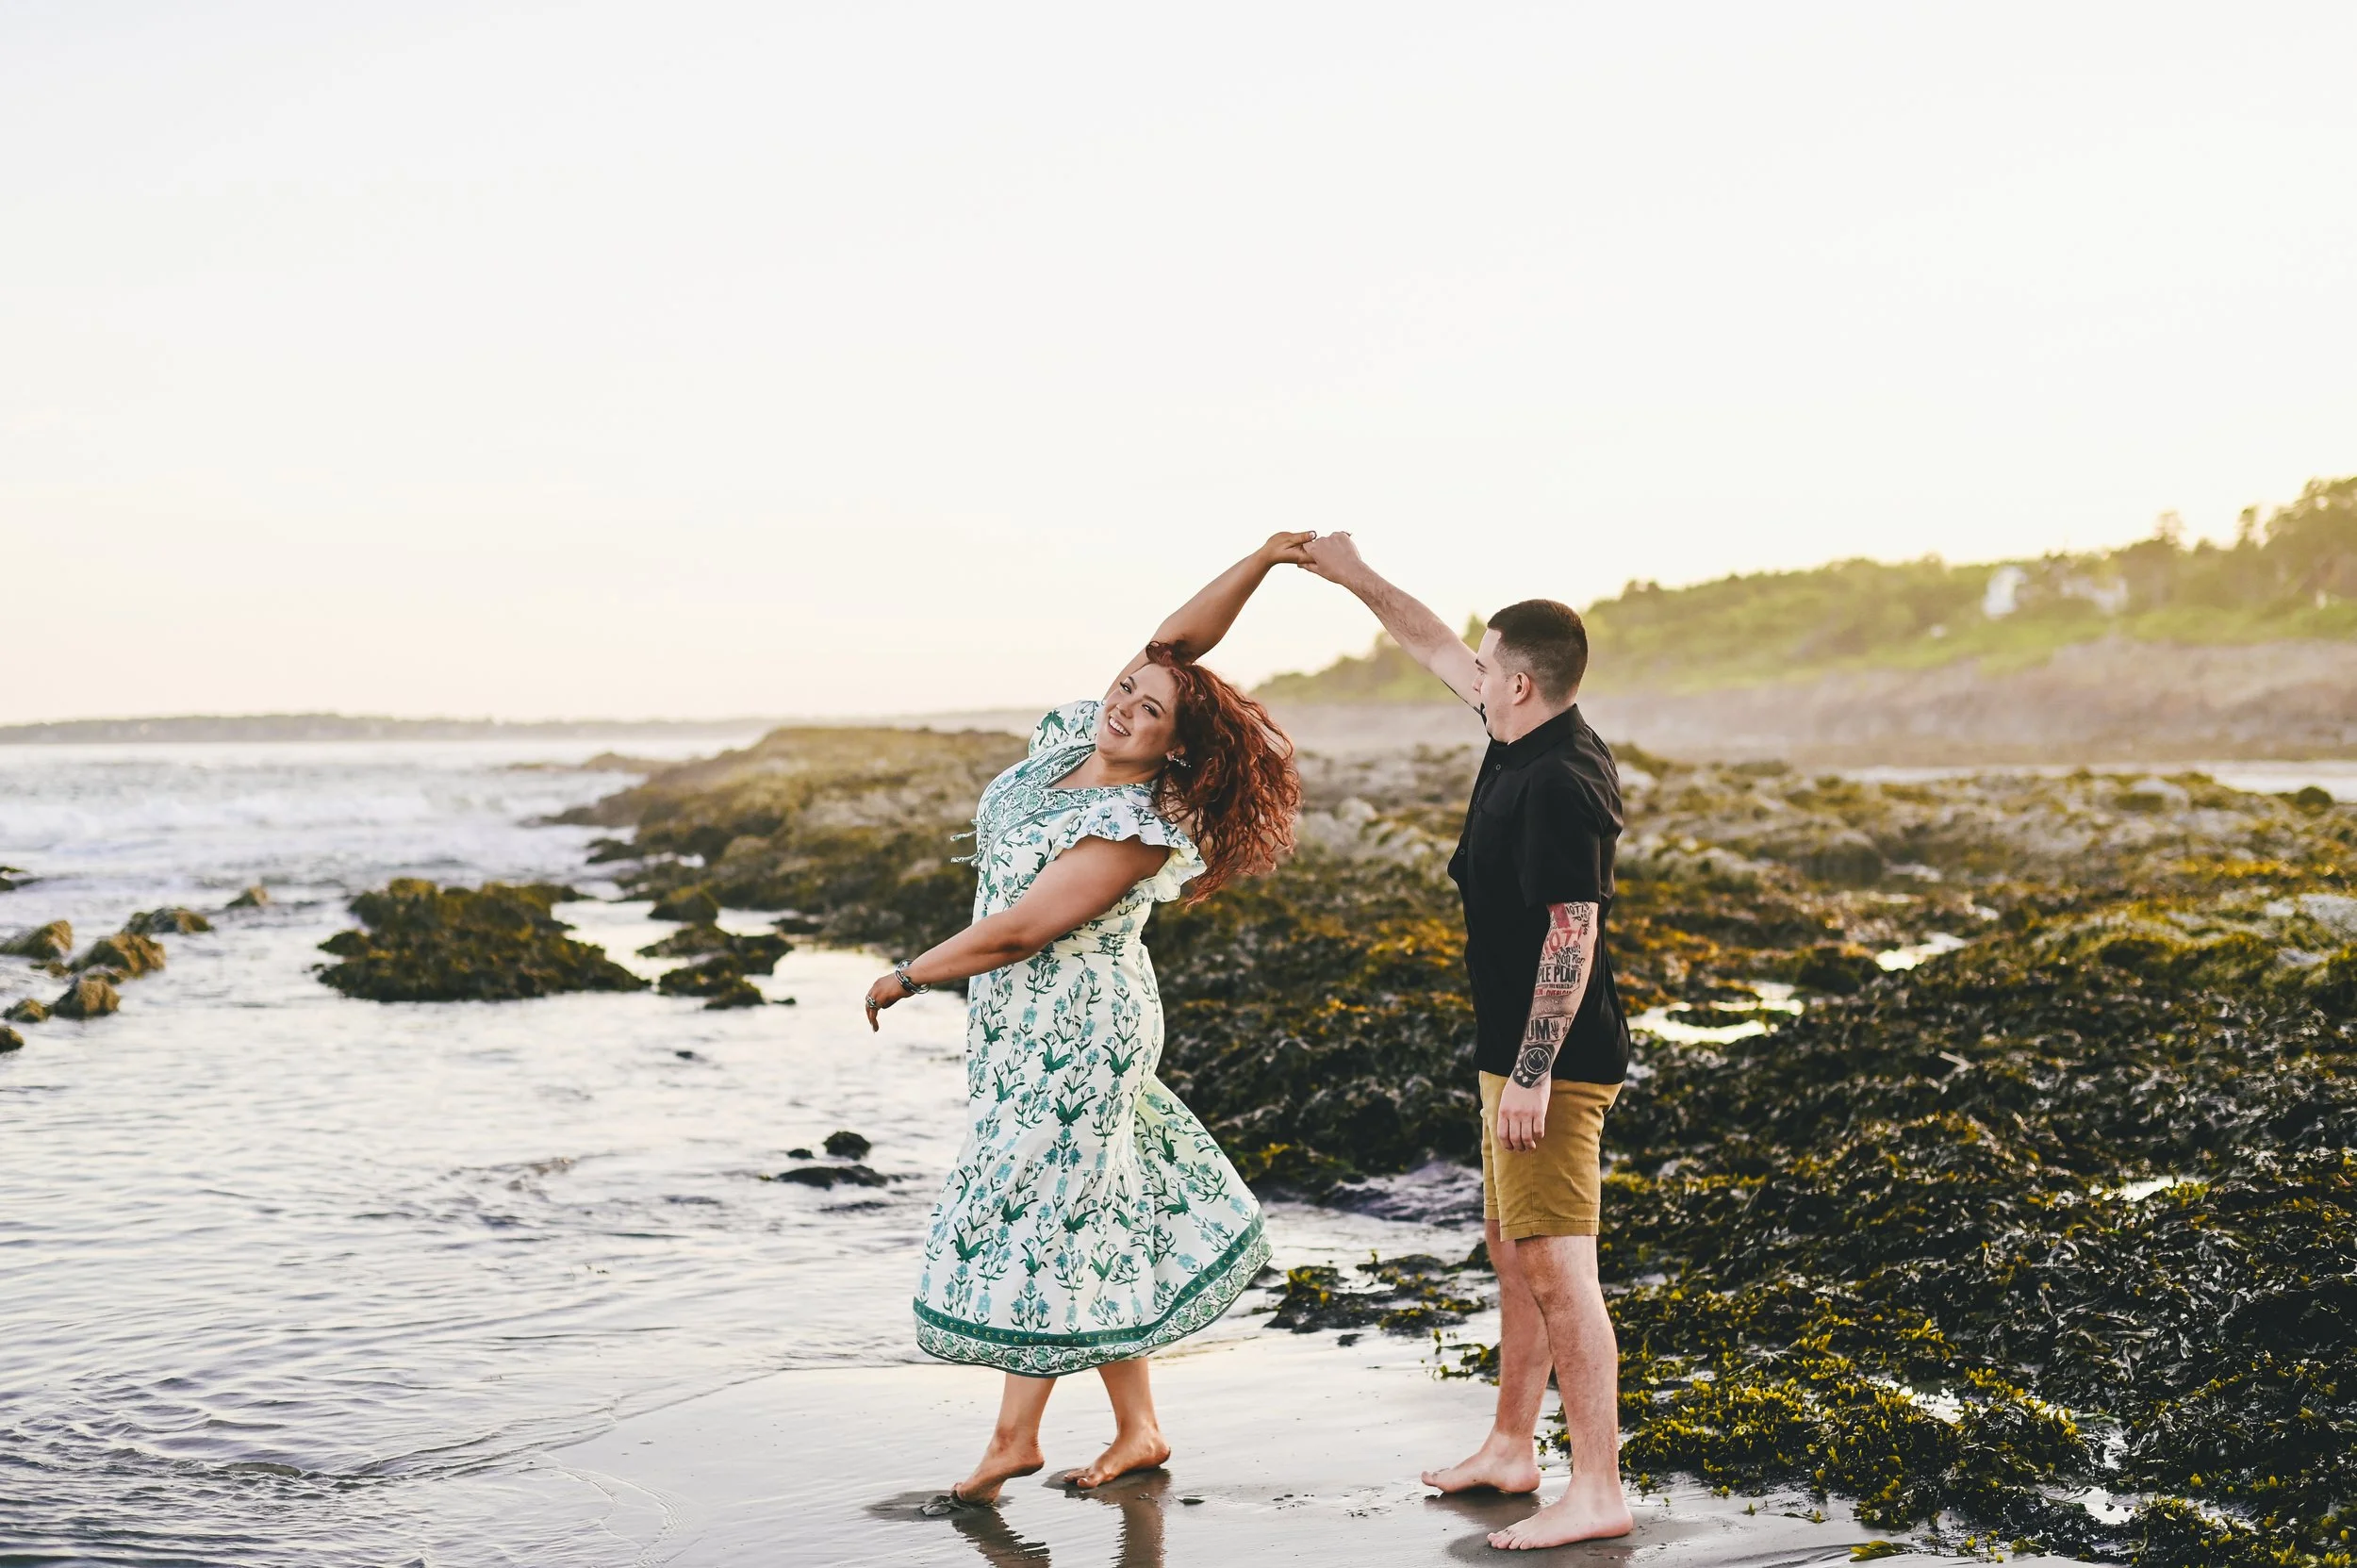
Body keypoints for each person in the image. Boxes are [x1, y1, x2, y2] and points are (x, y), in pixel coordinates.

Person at [864, 534, 1310, 1510]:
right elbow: (1170, 645)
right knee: (1099, 1205)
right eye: (1122, 688)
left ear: (1173, 747)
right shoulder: (1072, 742)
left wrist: (911, 972)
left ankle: (1011, 1438)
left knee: (1046, 1210)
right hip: (1021, 1027)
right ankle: (1139, 1428)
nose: (1123, 705)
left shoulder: (1134, 831)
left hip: (1080, 1033)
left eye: (1149, 711)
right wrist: (1265, 559)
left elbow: (1019, 929)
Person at [1300, 532, 1634, 1552]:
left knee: (1556, 1264)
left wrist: (1530, 1074)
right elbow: (1434, 642)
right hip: (1514, 1053)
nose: (1470, 677)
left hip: (1557, 1065)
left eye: (1488, 670)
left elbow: (1572, 938)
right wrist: (1354, 576)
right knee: (1513, 1249)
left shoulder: (1562, 782)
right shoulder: (1517, 732)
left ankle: (1597, 1488)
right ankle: (1508, 1446)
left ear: (1523, 683)